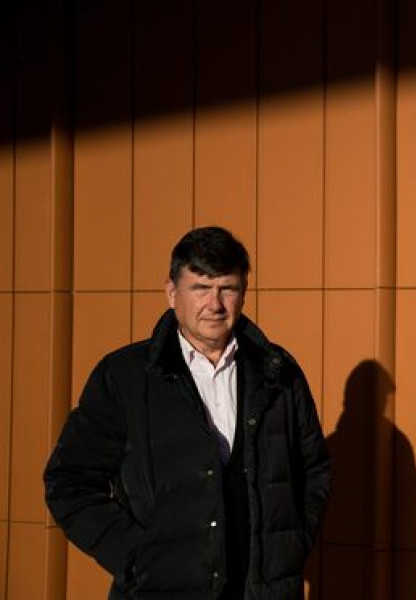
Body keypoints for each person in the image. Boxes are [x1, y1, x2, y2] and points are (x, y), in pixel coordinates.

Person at [44, 226, 331, 599]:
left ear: (243, 293)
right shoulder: (125, 377)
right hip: (160, 590)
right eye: (201, 287)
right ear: (171, 292)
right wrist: (136, 558)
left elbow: (314, 470)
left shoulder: (278, 372)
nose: (215, 304)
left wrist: (291, 545)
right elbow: (69, 483)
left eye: (227, 288)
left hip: (261, 590)